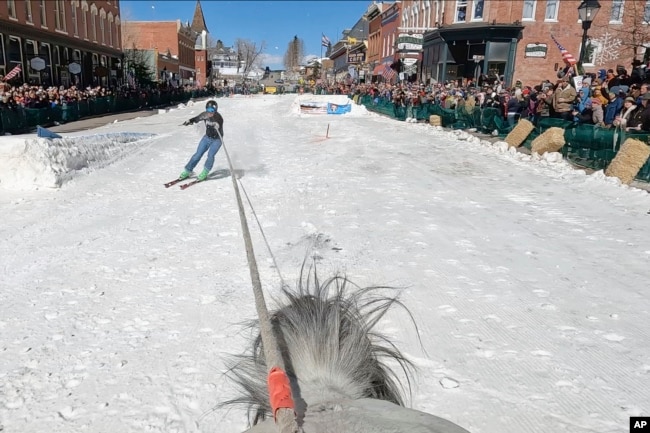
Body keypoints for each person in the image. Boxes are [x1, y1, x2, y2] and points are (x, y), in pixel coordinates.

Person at [178, 100, 224, 182]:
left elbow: (219, 123)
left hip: (217, 139)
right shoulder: (205, 115)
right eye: (208, 110)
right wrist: (190, 121)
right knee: (197, 154)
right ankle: (188, 170)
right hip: (207, 138)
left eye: (212, 111)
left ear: (215, 110)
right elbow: (197, 118)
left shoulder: (218, 117)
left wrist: (217, 125)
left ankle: (205, 171)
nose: (210, 113)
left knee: (210, 155)